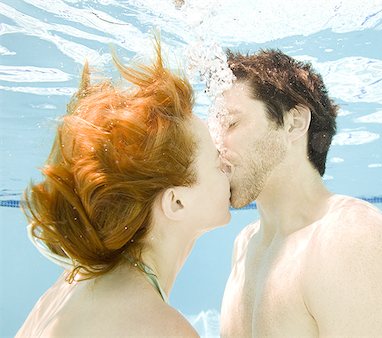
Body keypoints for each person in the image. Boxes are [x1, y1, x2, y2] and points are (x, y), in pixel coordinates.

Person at [16, 40, 231, 337]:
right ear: (176, 203)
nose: (229, 167)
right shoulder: (163, 330)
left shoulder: (67, 288)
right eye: (218, 162)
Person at [217, 50, 382, 337]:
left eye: (231, 123)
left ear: (293, 123)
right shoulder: (245, 246)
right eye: (215, 127)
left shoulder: (355, 240)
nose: (217, 144)